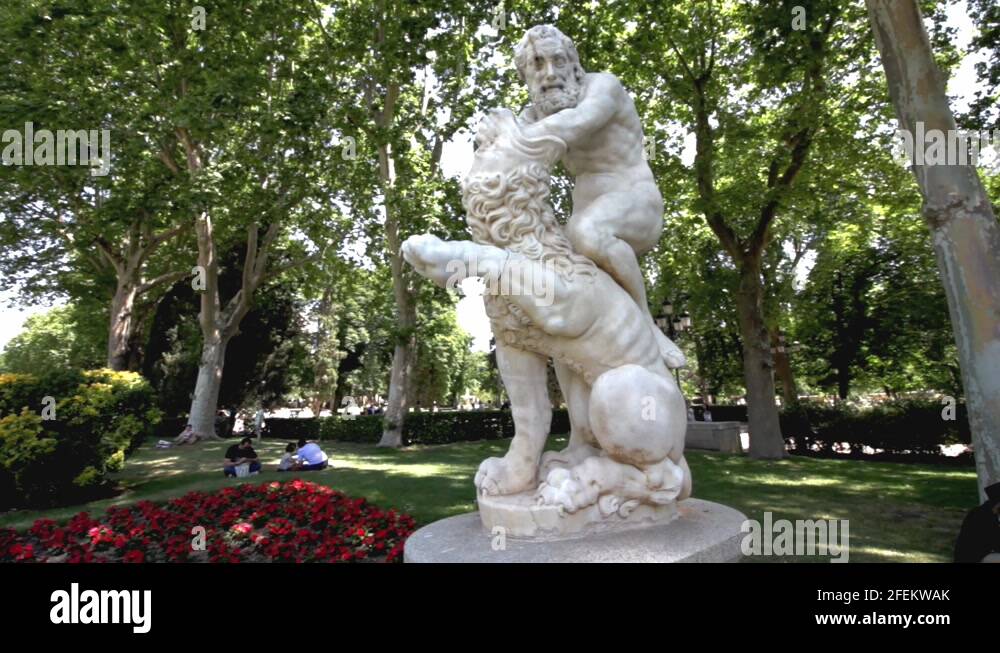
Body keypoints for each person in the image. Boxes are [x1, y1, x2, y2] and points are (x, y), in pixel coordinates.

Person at [954, 482, 1000, 562]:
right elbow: (995, 542)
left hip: (984, 552)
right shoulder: (981, 515)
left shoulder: (989, 512)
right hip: (972, 557)